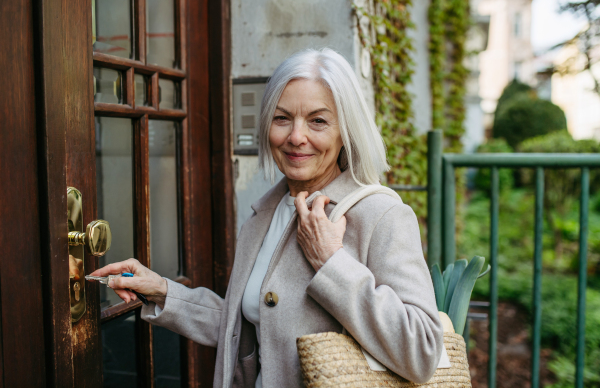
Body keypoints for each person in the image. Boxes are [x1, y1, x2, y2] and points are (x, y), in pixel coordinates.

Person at [91, 48, 443, 388]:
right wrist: (162, 291)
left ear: (345, 131)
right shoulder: (266, 215)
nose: (296, 137)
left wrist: (331, 262)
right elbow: (250, 328)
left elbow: (423, 352)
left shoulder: (381, 215)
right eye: (282, 118)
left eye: (318, 121)